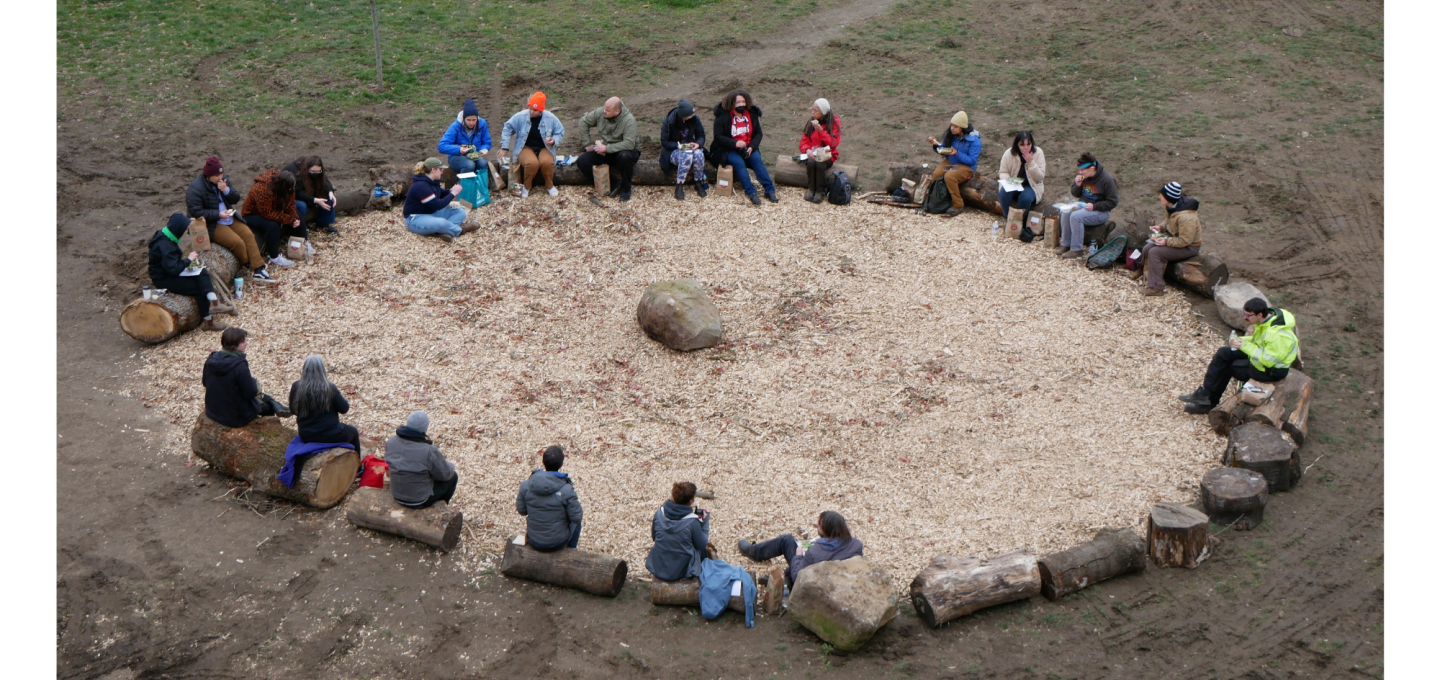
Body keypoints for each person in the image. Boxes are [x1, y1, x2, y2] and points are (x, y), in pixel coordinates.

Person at [1179, 299, 1300, 414]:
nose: (1244, 318)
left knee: (1228, 367)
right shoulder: (1267, 322)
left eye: (1248, 315)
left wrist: (1244, 346)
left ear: (1260, 314)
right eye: (1244, 313)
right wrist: (1241, 340)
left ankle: (1208, 403)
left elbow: (1268, 361)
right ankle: (1205, 395)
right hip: (1261, 359)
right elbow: (1259, 342)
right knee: (1224, 353)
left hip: (1270, 371)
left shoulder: (1278, 336)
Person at [186, 156, 274, 284]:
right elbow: (195, 212)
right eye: (217, 175)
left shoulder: (223, 180)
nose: (220, 177)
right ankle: (247, 262)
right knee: (236, 242)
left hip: (229, 217)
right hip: (212, 223)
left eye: (221, 173)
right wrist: (218, 215)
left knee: (249, 234)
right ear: (208, 176)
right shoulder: (195, 189)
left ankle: (259, 268)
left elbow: (235, 198)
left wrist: (226, 190)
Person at [738, 510, 863, 589]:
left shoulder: (815, 552)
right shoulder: (856, 545)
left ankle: (754, 551)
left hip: (812, 582)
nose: (817, 526)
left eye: (819, 525)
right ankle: (784, 578)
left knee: (786, 540)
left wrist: (798, 555)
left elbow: (798, 575)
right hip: (836, 578)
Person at [148, 212, 230, 331]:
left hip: (170, 272)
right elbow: (173, 269)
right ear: (178, 229)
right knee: (198, 288)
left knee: (202, 272)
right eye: (186, 229)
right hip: (164, 279)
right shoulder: (165, 246)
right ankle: (208, 322)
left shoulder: (167, 236)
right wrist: (188, 260)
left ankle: (214, 303)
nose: (187, 232)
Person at [202, 326, 291, 426]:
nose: (246, 343)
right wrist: (251, 378)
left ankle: (275, 404)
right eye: (243, 341)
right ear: (234, 346)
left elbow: (205, 383)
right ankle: (273, 409)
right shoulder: (239, 366)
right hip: (234, 417)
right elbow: (251, 393)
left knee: (258, 396)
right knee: (266, 408)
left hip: (213, 410)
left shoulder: (211, 359)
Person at [1129, 182, 1202, 296]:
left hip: (1189, 247)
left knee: (1155, 253)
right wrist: (1160, 227)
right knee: (1148, 247)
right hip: (1176, 239)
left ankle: (1156, 287)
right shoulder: (1173, 207)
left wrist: (1166, 241)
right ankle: (1141, 269)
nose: (1159, 197)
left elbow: (1185, 240)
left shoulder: (1186, 217)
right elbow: (1168, 222)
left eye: (1162, 195)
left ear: (1169, 198)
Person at [711, 89, 777, 206]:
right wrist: (734, 143)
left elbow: (758, 134)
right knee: (739, 163)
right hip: (728, 149)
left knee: (757, 160)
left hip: (748, 147)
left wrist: (752, 146)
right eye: (738, 102)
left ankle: (769, 189)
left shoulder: (751, 114)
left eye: (743, 102)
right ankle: (751, 192)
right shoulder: (723, 116)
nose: (741, 104)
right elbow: (718, 137)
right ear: (731, 103)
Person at [288, 354, 362, 452]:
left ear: (304, 369)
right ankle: (359, 466)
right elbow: (344, 409)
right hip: (330, 435)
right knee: (353, 431)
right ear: (323, 370)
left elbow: (293, 410)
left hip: (306, 435)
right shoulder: (329, 387)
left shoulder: (297, 386)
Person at [386, 411, 460, 509]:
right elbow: (444, 475)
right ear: (425, 429)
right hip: (418, 500)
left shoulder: (391, 441)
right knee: (453, 477)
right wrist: (451, 465)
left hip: (396, 493)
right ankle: (440, 508)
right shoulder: (428, 450)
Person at [516, 445, 583, 552]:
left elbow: (522, 510)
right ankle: (572, 549)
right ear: (561, 464)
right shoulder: (566, 490)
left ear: (543, 463)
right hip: (558, 543)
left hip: (534, 540)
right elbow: (576, 518)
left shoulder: (526, 486)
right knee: (576, 517)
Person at [500, 91, 565, 199]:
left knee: (547, 162)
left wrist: (553, 140)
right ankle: (527, 186)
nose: (531, 112)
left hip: (545, 147)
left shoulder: (551, 118)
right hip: (525, 147)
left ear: (541, 110)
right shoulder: (520, 116)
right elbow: (507, 128)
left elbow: (560, 132)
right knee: (532, 163)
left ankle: (549, 185)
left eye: (535, 110)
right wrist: (505, 146)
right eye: (530, 108)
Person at [576, 97, 641, 201]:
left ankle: (626, 188)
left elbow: (629, 144)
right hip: (606, 149)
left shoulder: (629, 120)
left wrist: (607, 148)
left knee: (624, 157)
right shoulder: (600, 112)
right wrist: (587, 144)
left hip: (626, 150)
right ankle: (612, 182)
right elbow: (583, 122)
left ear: (617, 111)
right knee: (582, 161)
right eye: (604, 108)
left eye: (607, 110)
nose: (604, 112)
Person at [645, 481, 711, 582]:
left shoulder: (659, 513)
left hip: (659, 566)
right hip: (682, 571)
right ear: (690, 501)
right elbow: (702, 545)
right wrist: (704, 522)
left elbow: (654, 537)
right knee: (701, 551)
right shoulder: (692, 522)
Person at [402, 158, 479, 243]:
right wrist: (452, 194)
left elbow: (440, 193)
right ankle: (460, 229)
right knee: (441, 223)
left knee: (460, 211)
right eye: (440, 169)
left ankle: (446, 231)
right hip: (416, 218)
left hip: (431, 212)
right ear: (433, 170)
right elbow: (437, 205)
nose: (442, 172)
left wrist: (450, 190)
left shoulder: (432, 181)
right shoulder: (421, 186)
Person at [1058, 152, 1119, 259]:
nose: (1080, 172)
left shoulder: (1107, 180)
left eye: (1082, 170)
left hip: (1100, 211)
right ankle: (1065, 244)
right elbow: (1075, 194)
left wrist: (1094, 207)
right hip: (1083, 206)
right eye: (1079, 170)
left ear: (1091, 168)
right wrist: (1077, 185)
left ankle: (1077, 249)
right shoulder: (1083, 177)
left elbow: (1113, 202)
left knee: (1075, 216)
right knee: (1065, 212)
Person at [240, 169, 301, 269]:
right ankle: (274, 257)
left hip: (273, 209)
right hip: (252, 214)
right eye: (290, 188)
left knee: (297, 214)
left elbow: (291, 203)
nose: (292, 189)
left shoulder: (289, 187)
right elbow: (267, 213)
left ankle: (304, 242)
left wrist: (294, 217)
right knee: (272, 226)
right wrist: (289, 219)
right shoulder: (262, 189)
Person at [926, 111, 982, 216]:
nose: (952, 128)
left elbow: (972, 161)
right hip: (951, 162)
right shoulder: (950, 135)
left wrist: (957, 153)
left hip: (966, 167)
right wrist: (936, 145)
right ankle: (934, 200)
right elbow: (944, 150)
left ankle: (958, 205)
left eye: (956, 126)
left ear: (962, 127)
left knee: (950, 176)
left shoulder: (975, 141)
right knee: (936, 175)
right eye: (952, 125)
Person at [659, 98, 709, 200]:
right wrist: (679, 146)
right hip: (673, 151)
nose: (693, 116)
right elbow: (664, 142)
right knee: (687, 155)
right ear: (683, 116)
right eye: (690, 115)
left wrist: (698, 144)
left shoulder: (694, 119)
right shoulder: (669, 122)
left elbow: (701, 135)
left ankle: (698, 181)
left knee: (699, 154)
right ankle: (679, 184)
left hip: (690, 148)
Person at [798, 98, 841, 204]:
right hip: (813, 153)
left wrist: (821, 131)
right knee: (812, 162)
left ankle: (819, 191)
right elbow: (804, 141)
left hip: (828, 153)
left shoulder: (833, 123)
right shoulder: (810, 122)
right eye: (812, 109)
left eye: (815, 110)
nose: (812, 112)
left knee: (819, 163)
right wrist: (807, 150)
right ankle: (811, 189)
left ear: (823, 112)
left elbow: (833, 144)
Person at [282, 155, 337, 237]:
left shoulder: (318, 172)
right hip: (290, 196)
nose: (316, 174)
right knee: (302, 206)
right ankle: (295, 227)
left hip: (308, 191)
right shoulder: (294, 170)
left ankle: (324, 223)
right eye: (313, 171)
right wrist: (315, 200)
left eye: (318, 172)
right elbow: (296, 192)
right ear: (307, 168)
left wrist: (330, 192)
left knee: (329, 197)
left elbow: (325, 181)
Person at [997, 130, 1045, 218]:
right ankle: (1008, 218)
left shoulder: (1038, 153)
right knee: (1003, 194)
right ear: (1017, 145)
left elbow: (1040, 177)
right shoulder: (1009, 153)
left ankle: (1020, 221)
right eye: (1022, 145)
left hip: (1032, 185)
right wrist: (1006, 177)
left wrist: (1031, 162)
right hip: (1014, 183)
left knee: (1025, 198)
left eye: (1028, 144)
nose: (1026, 147)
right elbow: (1003, 171)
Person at [438, 98, 493, 175]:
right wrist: (459, 149)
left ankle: (481, 186)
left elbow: (486, 142)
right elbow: (442, 146)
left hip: (475, 154)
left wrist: (483, 150)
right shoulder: (456, 126)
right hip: (457, 156)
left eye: (474, 120)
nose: (471, 123)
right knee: (469, 164)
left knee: (483, 163)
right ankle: (465, 186)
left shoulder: (482, 124)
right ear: (464, 119)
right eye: (468, 120)